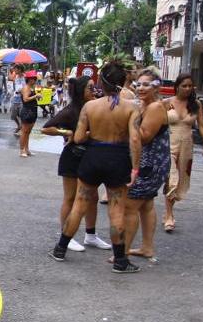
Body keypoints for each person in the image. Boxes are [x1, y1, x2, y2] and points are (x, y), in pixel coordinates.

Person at [51, 61, 142, 274]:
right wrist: (135, 168)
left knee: (79, 204)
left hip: (93, 157)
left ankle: (60, 248)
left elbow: (80, 137)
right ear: (122, 82)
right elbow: (135, 140)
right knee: (116, 209)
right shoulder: (131, 108)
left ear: (102, 81)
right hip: (118, 157)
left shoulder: (90, 107)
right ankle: (120, 260)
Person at [42, 77, 112, 253]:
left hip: (91, 157)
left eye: (94, 87)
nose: (93, 90)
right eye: (89, 88)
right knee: (70, 197)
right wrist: (67, 132)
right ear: (81, 90)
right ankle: (66, 235)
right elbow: (46, 128)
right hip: (73, 157)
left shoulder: (95, 106)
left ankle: (91, 234)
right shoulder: (71, 110)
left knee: (93, 197)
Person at [123, 71, 170, 261]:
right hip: (149, 161)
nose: (141, 88)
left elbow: (144, 136)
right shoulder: (145, 105)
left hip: (151, 163)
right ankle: (146, 248)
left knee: (131, 206)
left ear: (156, 87)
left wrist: (129, 121)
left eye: (146, 85)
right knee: (147, 205)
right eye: (138, 84)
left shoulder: (155, 107)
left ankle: (123, 252)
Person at [162, 74, 203, 232]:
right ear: (177, 86)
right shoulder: (166, 103)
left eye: (190, 86)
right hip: (168, 144)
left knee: (181, 180)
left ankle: (170, 210)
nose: (187, 89)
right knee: (172, 179)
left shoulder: (195, 104)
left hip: (186, 145)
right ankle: (169, 215)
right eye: (184, 85)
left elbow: (202, 125)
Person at [18, 70, 40, 157]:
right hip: (27, 111)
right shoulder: (26, 88)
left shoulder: (32, 88)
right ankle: (22, 150)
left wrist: (36, 97)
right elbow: (25, 99)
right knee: (24, 131)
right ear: (29, 79)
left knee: (28, 132)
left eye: (35, 78)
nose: (34, 80)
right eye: (33, 79)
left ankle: (27, 149)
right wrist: (35, 96)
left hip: (33, 110)